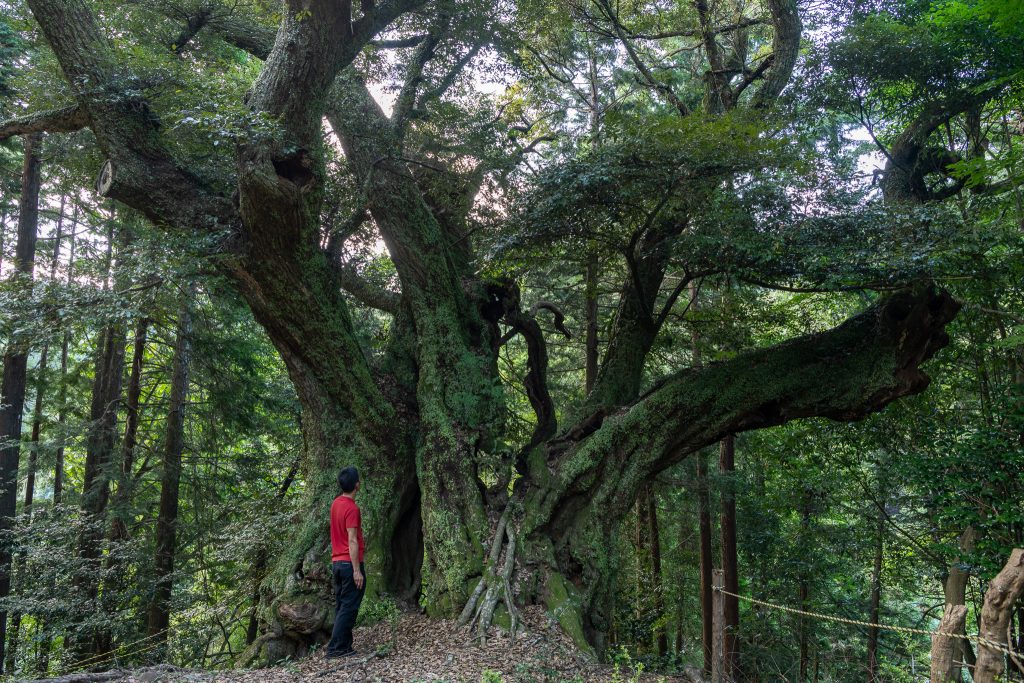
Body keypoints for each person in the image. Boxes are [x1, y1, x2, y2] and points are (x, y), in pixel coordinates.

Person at [326, 466, 365, 658]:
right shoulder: (352, 508)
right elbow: (352, 539)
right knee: (349, 607)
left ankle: (345, 646)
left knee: (342, 605)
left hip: (336, 564)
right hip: (349, 564)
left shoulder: (335, 504)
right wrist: (357, 570)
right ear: (357, 485)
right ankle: (335, 648)